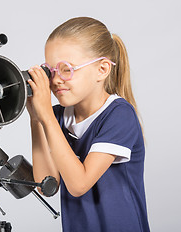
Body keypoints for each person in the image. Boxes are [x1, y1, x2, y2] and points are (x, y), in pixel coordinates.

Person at [26, 17, 150, 232]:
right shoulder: (56, 117)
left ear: (102, 70)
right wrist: (36, 118)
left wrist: (45, 116)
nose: (55, 80)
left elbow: (79, 185)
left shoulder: (119, 115)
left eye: (67, 69)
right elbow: (47, 185)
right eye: (50, 71)